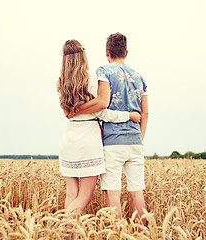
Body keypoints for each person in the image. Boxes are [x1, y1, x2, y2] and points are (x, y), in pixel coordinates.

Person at [57, 39, 141, 214]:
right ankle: (62, 226)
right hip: (89, 139)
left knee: (72, 193)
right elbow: (103, 111)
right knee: (84, 197)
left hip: (69, 139)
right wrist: (129, 116)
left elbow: (68, 112)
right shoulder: (92, 80)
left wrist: (77, 110)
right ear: (83, 56)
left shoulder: (61, 83)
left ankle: (69, 234)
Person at [75, 33, 148, 223]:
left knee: (112, 194)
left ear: (107, 52)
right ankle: (143, 234)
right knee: (137, 192)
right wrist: (139, 138)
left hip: (112, 144)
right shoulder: (140, 77)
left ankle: (117, 234)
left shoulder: (103, 71)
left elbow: (102, 104)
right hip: (135, 141)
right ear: (126, 52)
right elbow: (145, 113)